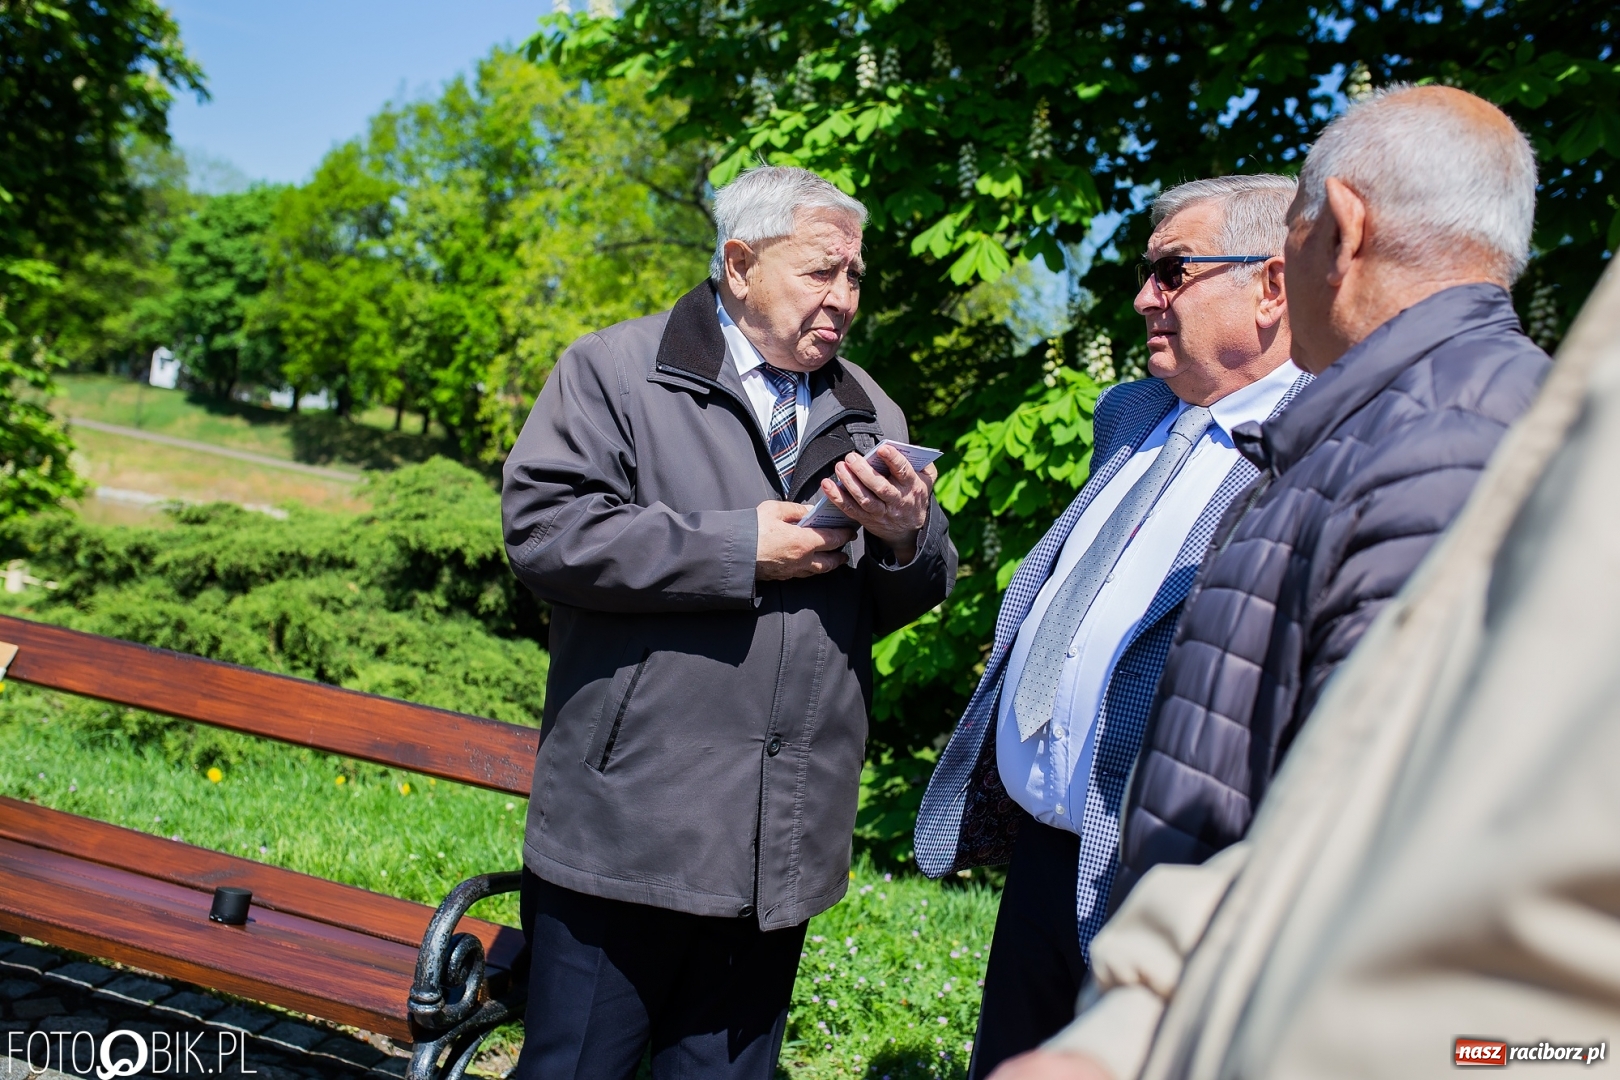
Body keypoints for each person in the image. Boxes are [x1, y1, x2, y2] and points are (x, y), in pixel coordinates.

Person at [992, 84, 1553, 1080]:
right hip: (1131, 929)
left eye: (1171, 270)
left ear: (1335, 230)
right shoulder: (1371, 424)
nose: (1140, 298)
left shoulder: (1444, 445)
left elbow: (1372, 818)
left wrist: (1139, 1029)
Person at [500, 165, 957, 1080]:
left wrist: (910, 537)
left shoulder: (870, 410)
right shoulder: (614, 372)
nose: (844, 299)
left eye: (856, 276)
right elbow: (545, 534)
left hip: (779, 845)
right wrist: (734, 549)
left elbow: (915, 585)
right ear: (740, 264)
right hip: (631, 829)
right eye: (821, 271)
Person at [913, 174, 1311, 1077]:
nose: (1144, 298)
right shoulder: (1130, 415)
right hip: (1043, 861)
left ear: (1271, 287)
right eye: (1146, 273)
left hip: (1172, 885)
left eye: (1173, 272)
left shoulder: (1319, 445)